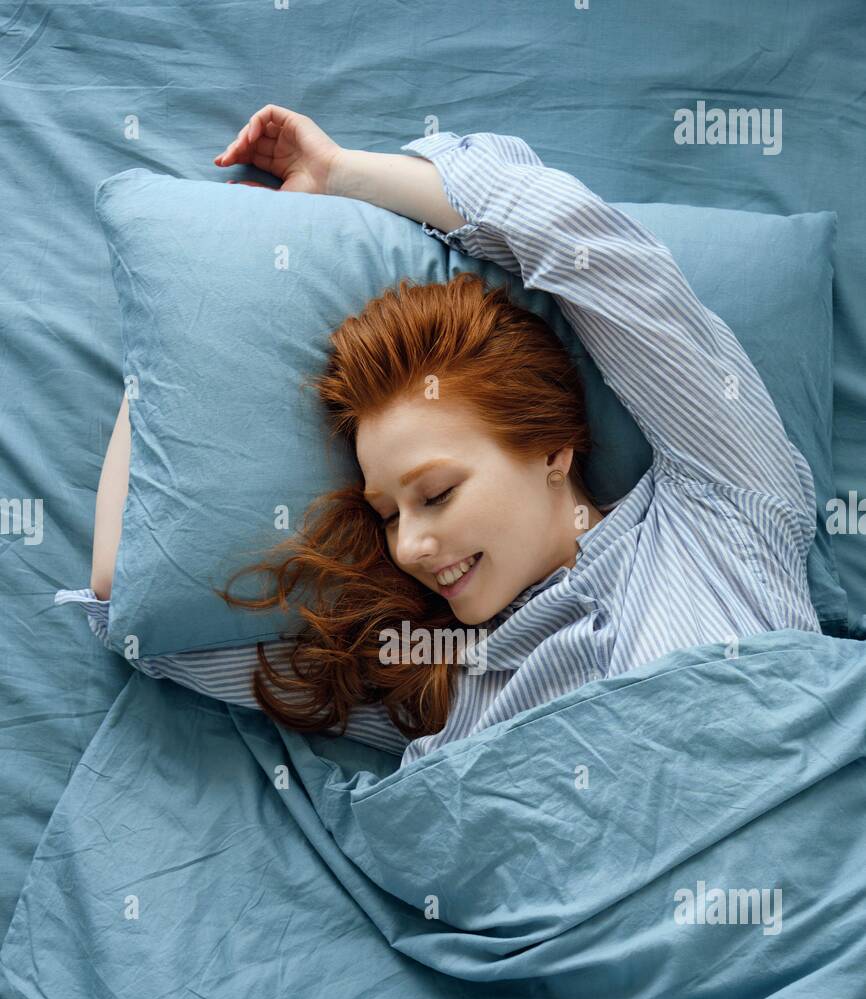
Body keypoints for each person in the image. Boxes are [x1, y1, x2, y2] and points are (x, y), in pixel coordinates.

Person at [56, 108, 821, 768]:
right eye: (389, 514)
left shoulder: (722, 507)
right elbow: (134, 607)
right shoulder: (435, 675)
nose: (411, 548)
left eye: (436, 494)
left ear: (553, 448)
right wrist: (166, 351)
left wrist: (343, 173)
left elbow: (600, 258)